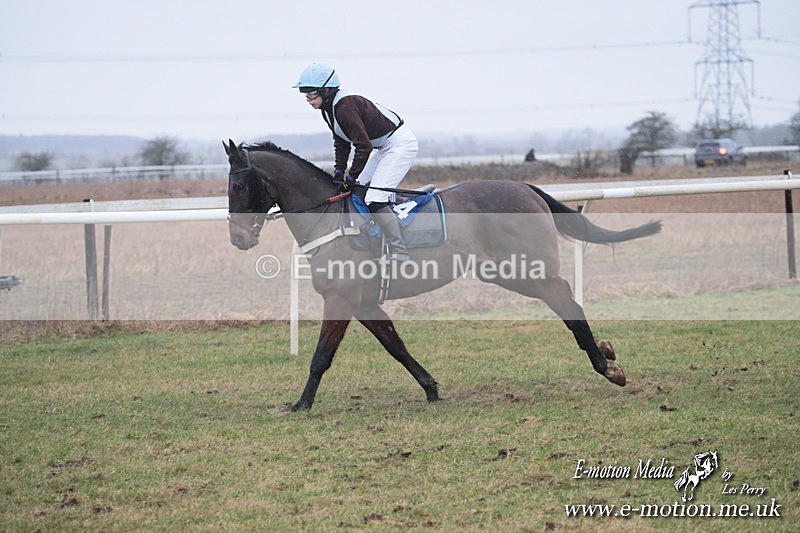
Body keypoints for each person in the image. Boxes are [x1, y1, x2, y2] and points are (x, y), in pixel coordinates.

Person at [293, 62, 417, 262]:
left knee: (375, 198)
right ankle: (373, 239)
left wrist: (351, 175)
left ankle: (399, 251)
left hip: (399, 145)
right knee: (357, 191)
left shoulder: (345, 106)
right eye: (305, 95)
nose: (308, 99)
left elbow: (363, 147)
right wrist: (339, 172)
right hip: (382, 147)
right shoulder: (328, 109)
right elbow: (341, 142)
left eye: (312, 94)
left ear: (326, 90)